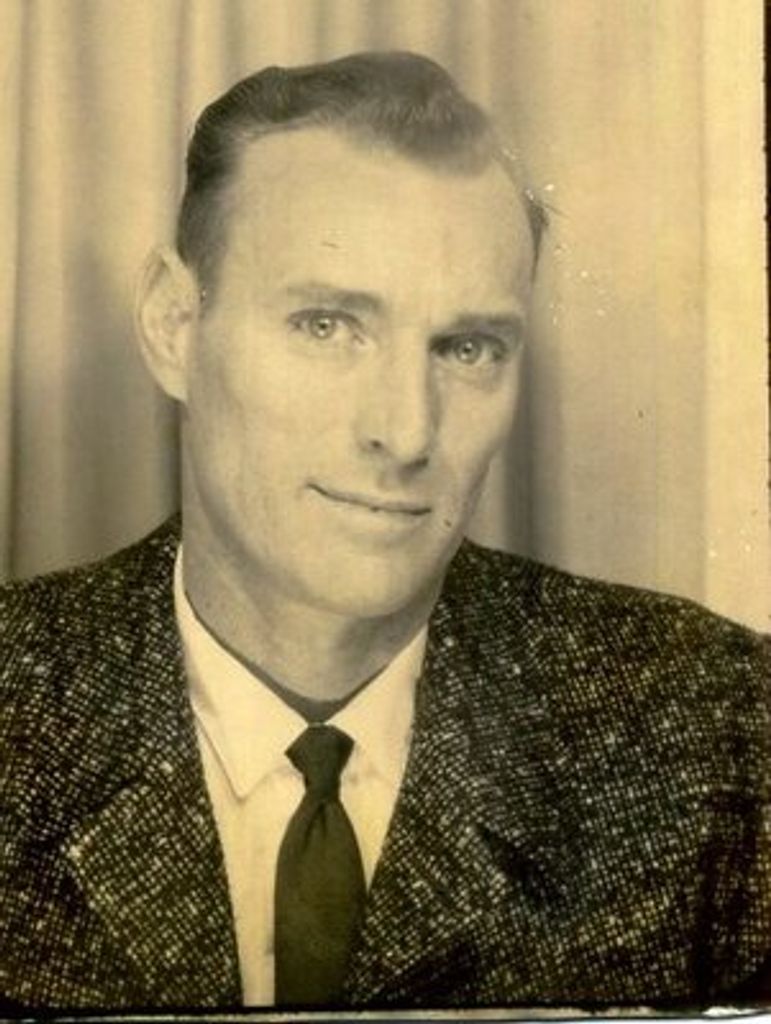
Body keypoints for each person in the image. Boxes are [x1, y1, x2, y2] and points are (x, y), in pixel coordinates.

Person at [0, 51, 768, 1013]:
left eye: (466, 347)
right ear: (173, 324)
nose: (405, 432)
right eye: (327, 325)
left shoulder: (717, 729)